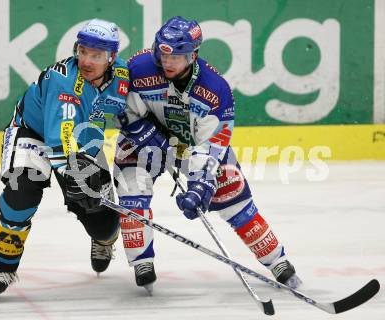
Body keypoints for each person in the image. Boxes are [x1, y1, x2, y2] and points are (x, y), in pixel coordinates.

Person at [113, 16, 301, 292]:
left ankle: (277, 261)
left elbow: (211, 145)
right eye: (163, 53)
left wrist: (200, 185)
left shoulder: (215, 90)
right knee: (131, 186)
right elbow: (122, 110)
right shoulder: (139, 68)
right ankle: (141, 260)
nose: (167, 62)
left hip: (191, 147)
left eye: (176, 57)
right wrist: (147, 135)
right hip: (145, 140)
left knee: (232, 193)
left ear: (193, 55)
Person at [0, 18, 129, 296]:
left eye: (96, 55)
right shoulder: (62, 80)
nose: (87, 60)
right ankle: (3, 267)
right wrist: (73, 174)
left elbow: (137, 109)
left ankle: (104, 238)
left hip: (86, 143)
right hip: (32, 134)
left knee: (99, 218)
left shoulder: (123, 77)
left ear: (112, 58)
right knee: (21, 192)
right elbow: (59, 138)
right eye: (83, 51)